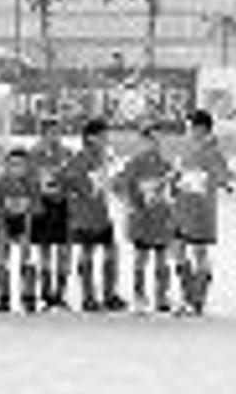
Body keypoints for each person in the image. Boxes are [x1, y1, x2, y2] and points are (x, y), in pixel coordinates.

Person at [171, 110, 236, 317]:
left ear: (201, 128)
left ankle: (197, 299)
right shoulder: (186, 149)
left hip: (201, 211)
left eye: (190, 126)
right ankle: (188, 297)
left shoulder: (213, 152)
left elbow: (223, 175)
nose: (188, 131)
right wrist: (172, 183)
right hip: (182, 209)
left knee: (199, 253)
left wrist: (232, 186)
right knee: (178, 250)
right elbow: (179, 174)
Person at [62, 118, 127, 312]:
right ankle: (88, 297)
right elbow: (67, 178)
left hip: (102, 213)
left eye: (107, 134)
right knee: (87, 253)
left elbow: (112, 182)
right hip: (84, 215)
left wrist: (118, 188)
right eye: (103, 135)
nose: (107, 138)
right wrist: (82, 193)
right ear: (91, 138)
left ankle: (109, 295)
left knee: (111, 252)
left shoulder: (104, 157)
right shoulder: (81, 158)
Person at [115, 122, 176, 314]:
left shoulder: (166, 164)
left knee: (162, 259)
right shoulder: (134, 163)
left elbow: (173, 192)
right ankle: (139, 296)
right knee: (141, 259)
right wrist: (132, 205)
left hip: (161, 219)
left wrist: (169, 196)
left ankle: (161, 296)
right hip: (141, 220)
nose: (155, 144)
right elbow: (119, 186)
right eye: (150, 140)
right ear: (142, 141)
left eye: (158, 140)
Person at [28, 117, 73, 311]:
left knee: (64, 250)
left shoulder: (66, 153)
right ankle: (46, 294)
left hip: (62, 205)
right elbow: (29, 180)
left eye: (58, 132)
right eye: (52, 132)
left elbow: (72, 177)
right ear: (43, 133)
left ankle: (60, 293)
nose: (56, 135)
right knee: (44, 250)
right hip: (42, 205)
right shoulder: (34, 153)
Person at [0, 148, 36, 313]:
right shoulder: (0, 183)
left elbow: (35, 207)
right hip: (4, 223)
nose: (17, 168)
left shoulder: (31, 183)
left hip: (24, 222)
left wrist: (25, 213)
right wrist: (3, 222)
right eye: (13, 165)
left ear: (27, 166)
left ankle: (28, 295)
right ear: (7, 166)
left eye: (21, 165)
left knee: (27, 258)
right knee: (1, 260)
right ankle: (4, 296)